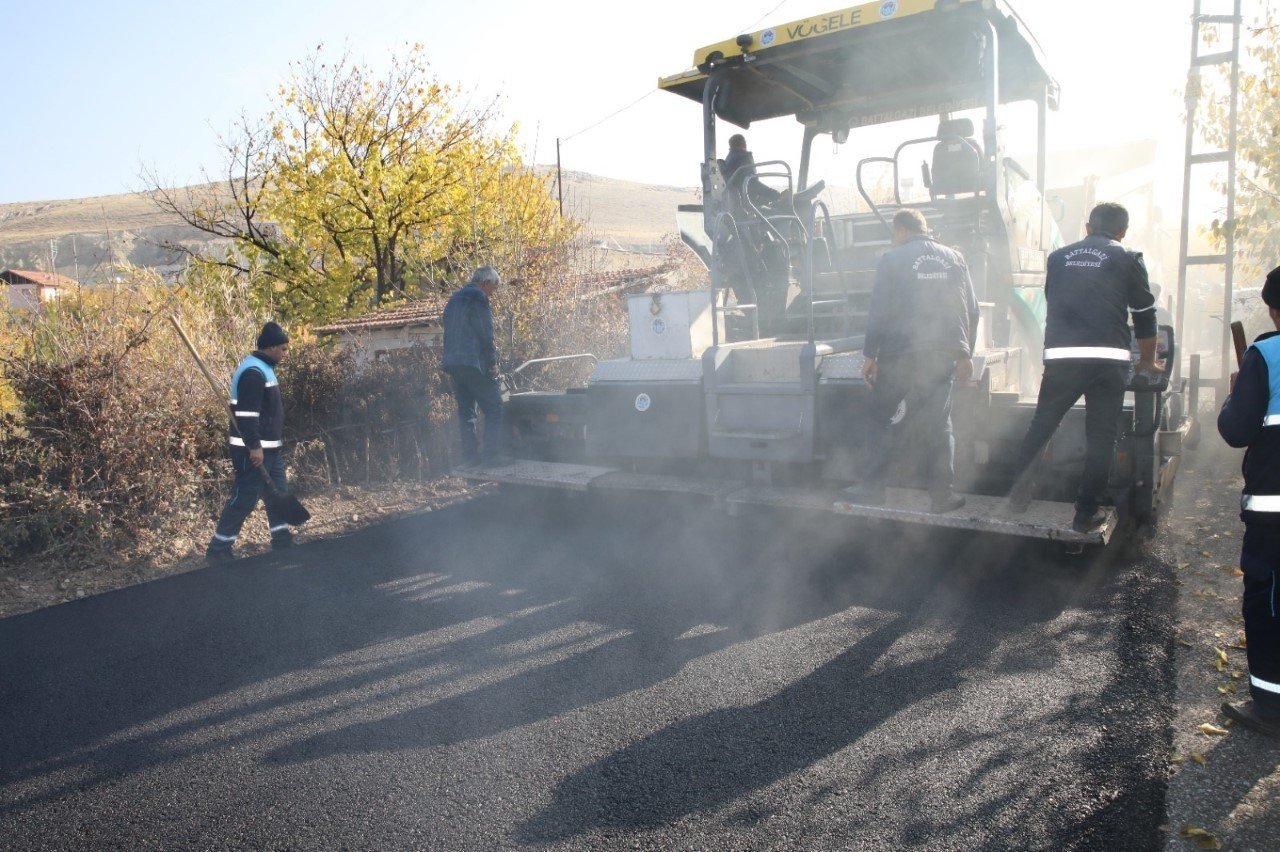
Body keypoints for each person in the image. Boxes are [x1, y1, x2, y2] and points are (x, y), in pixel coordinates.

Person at [1006, 202, 1159, 533]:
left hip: (1062, 359)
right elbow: (1145, 314)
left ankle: (1018, 495)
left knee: (1043, 425)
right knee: (1101, 438)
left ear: (1088, 227)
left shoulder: (1058, 258)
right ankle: (1085, 514)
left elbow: (1054, 299)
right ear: (1123, 231)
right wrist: (1147, 361)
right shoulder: (1129, 258)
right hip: (1108, 363)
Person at [852, 208, 979, 514]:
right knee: (939, 425)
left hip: (899, 354)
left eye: (893, 234)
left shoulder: (892, 259)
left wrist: (870, 355)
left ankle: (872, 489)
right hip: (940, 356)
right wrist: (965, 355)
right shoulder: (955, 258)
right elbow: (972, 310)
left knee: (879, 418)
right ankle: (942, 496)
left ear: (901, 230)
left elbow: (879, 310)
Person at [1216, 267, 1280, 739]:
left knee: (1268, 604)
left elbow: (1236, 430)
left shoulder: (1266, 354)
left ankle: (1271, 708)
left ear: (1274, 310)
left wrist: (1236, 394)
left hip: (1274, 518)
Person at [205, 321, 294, 562]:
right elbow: (246, 415)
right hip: (253, 450)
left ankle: (281, 538)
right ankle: (219, 549)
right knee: (245, 496)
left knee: (278, 492)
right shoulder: (253, 372)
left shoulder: (265, 368)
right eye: (283, 349)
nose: (285, 353)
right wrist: (254, 447)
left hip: (270, 449)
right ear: (271, 347)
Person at [443, 266, 507, 466]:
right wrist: (492, 363)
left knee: (467, 412)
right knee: (495, 406)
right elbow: (485, 332)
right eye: (493, 289)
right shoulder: (478, 297)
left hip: (453, 363)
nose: (492, 294)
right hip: (473, 363)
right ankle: (491, 456)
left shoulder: (454, 299)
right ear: (486, 283)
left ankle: (470, 458)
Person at [720, 134, 782, 208]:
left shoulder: (729, 159)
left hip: (737, 202)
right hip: (747, 202)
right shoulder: (743, 157)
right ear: (743, 144)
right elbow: (751, 183)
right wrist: (776, 195)